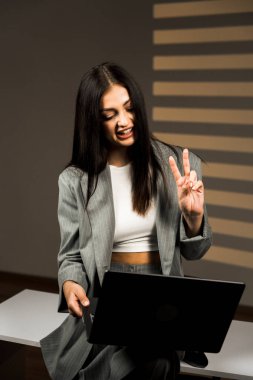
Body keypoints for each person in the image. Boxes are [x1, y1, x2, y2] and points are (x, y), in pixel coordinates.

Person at [40, 62, 212, 380]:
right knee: (145, 363)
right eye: (110, 115)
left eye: (129, 109)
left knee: (153, 360)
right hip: (106, 309)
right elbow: (71, 255)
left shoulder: (177, 166)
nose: (124, 122)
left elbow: (195, 252)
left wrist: (193, 217)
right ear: (93, 121)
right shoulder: (75, 180)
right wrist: (70, 282)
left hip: (162, 313)